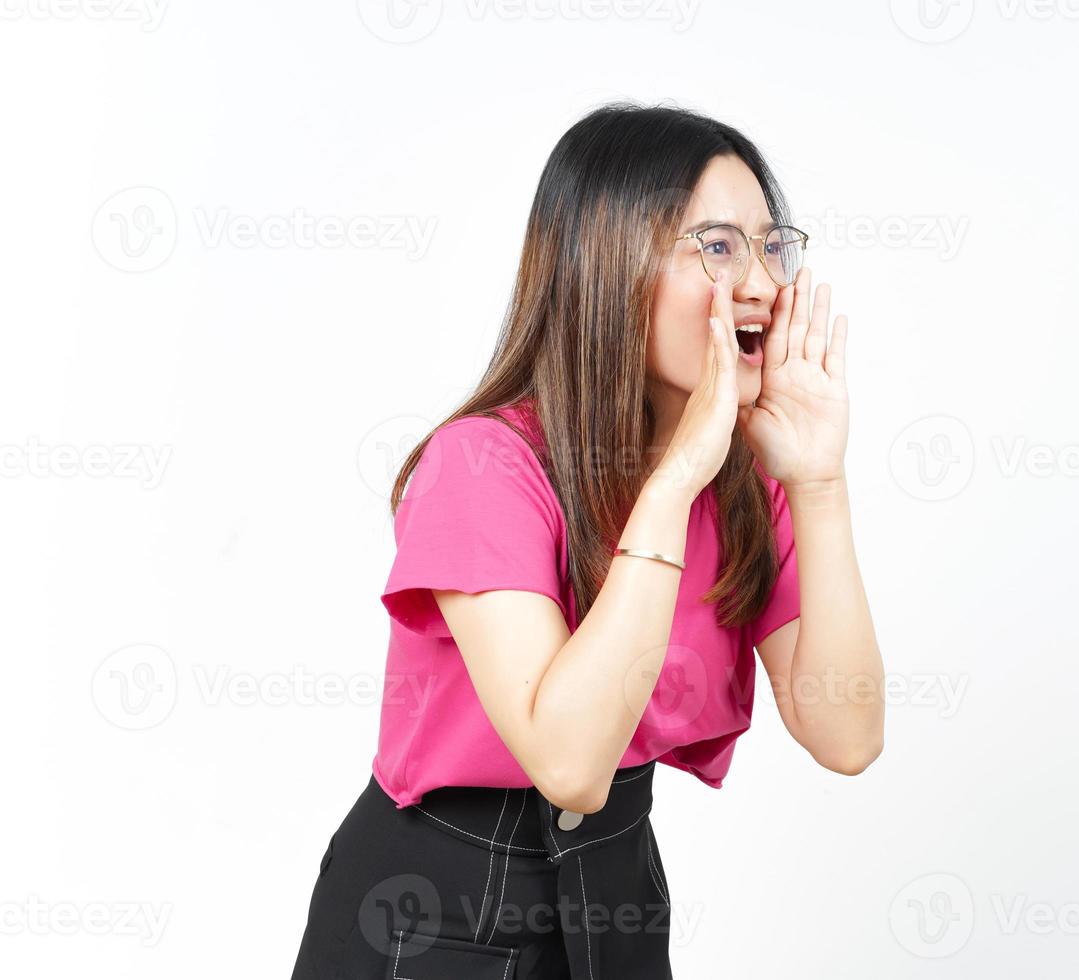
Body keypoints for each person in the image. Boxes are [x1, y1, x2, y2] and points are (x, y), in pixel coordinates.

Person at [290, 101, 885, 979]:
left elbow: (847, 736)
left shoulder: (750, 479)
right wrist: (673, 482)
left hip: (616, 897)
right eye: (718, 246)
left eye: (772, 245)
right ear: (608, 266)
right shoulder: (483, 465)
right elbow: (569, 762)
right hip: (428, 912)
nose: (761, 282)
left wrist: (819, 483)